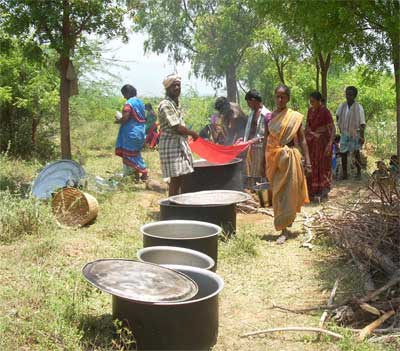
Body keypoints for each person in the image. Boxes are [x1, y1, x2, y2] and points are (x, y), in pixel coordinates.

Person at [264, 85, 311, 244]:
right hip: (275, 160)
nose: (279, 99)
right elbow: (266, 140)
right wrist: (263, 162)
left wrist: (308, 161)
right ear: (274, 97)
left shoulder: (294, 117)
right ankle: (283, 227)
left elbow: (302, 140)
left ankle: (285, 228)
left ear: (288, 98)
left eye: (283, 97)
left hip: (291, 159)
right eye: (277, 96)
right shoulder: (269, 118)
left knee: (290, 193)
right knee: (277, 194)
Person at [158, 74, 199, 196]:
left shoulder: (175, 103)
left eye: (178, 85)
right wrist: (192, 133)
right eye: (173, 86)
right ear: (167, 88)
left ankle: (180, 202)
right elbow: (177, 127)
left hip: (178, 144)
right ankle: (172, 205)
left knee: (183, 175)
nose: (177, 88)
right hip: (171, 144)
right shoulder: (165, 104)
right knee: (176, 178)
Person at [305, 91, 334, 200]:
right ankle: (312, 191)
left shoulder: (325, 112)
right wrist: (311, 133)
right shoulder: (310, 111)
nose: (311, 103)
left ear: (318, 101)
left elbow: (332, 128)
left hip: (322, 144)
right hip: (312, 144)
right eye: (310, 101)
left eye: (313, 101)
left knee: (323, 166)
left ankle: (323, 191)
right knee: (312, 165)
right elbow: (307, 126)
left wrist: (330, 144)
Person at [115, 84, 147, 180]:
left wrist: (118, 120)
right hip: (140, 132)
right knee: (135, 154)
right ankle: (136, 176)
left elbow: (125, 118)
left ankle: (143, 172)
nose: (124, 96)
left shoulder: (129, 103)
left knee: (127, 156)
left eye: (124, 94)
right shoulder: (140, 103)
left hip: (131, 133)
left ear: (128, 93)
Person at [336, 86, 366, 180]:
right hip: (344, 132)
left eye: (351, 94)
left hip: (355, 133)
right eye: (347, 94)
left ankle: (358, 172)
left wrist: (362, 136)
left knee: (356, 152)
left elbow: (362, 123)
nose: (348, 96)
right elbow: (337, 116)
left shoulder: (359, 107)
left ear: (354, 96)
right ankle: (345, 173)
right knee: (343, 153)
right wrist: (340, 126)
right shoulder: (342, 105)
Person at [242, 89, 271, 188]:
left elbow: (269, 135)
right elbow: (249, 130)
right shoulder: (251, 113)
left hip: (260, 149)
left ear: (253, 100)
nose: (248, 105)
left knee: (260, 173)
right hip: (250, 149)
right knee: (250, 174)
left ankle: (262, 194)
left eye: (248, 102)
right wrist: (244, 140)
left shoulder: (267, 115)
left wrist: (256, 139)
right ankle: (253, 193)